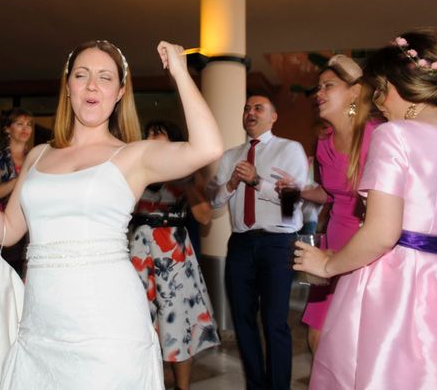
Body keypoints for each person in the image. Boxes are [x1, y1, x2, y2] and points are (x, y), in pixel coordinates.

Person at [0, 40, 223, 388]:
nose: (92, 85)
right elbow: (8, 231)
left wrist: (180, 72)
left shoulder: (134, 156)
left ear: (120, 92)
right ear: (68, 87)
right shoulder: (38, 155)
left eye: (104, 77)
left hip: (109, 329)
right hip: (39, 328)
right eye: (82, 75)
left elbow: (208, 147)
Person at [295, 28, 437, 389]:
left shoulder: (396, 135)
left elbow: (381, 233)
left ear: (395, 86)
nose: (378, 104)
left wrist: (328, 263)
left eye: (378, 91)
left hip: (399, 281)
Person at [276, 55, 379, 354]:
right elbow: (331, 193)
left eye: (328, 86)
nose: (318, 94)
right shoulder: (323, 143)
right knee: (318, 339)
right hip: (331, 244)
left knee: (358, 342)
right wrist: (300, 190)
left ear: (354, 91)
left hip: (367, 247)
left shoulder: (377, 135)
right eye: (317, 87)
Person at [206, 94, 308, 390]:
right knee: (242, 321)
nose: (250, 112)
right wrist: (231, 184)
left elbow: (292, 201)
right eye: (246, 108)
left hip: (278, 243)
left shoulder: (290, 150)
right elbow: (213, 201)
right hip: (239, 244)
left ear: (273, 117)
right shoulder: (229, 156)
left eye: (258, 108)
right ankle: (255, 385)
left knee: (275, 322)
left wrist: (256, 181)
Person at [129, 120, 220, 390]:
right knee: (138, 321)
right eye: (148, 133)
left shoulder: (189, 172)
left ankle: (182, 388)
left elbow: (204, 218)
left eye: (159, 133)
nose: (151, 137)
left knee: (177, 322)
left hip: (173, 253)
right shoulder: (134, 168)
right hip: (138, 250)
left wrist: (188, 178)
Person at [0, 108, 34, 275]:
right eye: (19, 124)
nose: (25, 128)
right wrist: (20, 180)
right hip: (7, 224)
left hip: (32, 226)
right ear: (7, 129)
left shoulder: (35, 156)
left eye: (28, 124)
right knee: (9, 278)